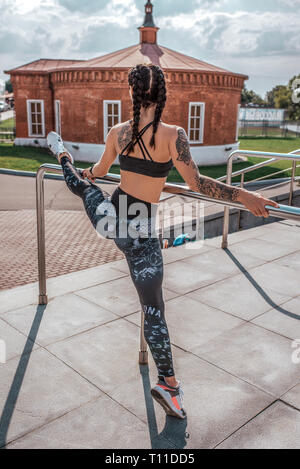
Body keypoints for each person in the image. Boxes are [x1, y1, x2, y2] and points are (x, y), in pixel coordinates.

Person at [47, 63, 279, 420]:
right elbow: (199, 184)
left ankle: (60, 153)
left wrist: (88, 174)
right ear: (163, 95)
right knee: (153, 311)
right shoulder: (174, 136)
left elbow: (102, 172)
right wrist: (244, 196)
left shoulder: (118, 132)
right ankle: (169, 386)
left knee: (82, 185)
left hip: (111, 221)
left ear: (132, 93)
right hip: (141, 235)